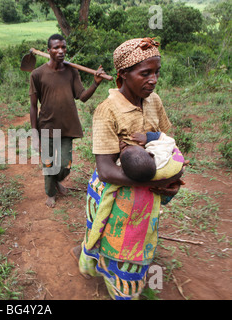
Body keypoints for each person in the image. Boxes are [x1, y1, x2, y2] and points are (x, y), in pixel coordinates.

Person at [70, 37, 186, 300]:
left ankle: (100, 261)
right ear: (123, 74)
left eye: (156, 72)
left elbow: (168, 140)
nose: (154, 79)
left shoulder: (154, 100)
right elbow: (106, 171)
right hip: (116, 189)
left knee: (132, 239)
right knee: (114, 242)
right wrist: (155, 182)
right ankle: (121, 286)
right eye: (145, 73)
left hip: (145, 191)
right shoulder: (107, 110)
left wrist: (174, 171)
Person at [29, 33, 107, 208]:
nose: (61, 50)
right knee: (49, 163)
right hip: (47, 127)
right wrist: (34, 133)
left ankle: (56, 181)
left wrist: (95, 83)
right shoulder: (37, 74)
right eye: (56, 47)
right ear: (48, 50)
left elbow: (82, 97)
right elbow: (33, 106)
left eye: (63, 47)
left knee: (65, 164)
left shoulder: (72, 71)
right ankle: (50, 193)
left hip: (67, 127)